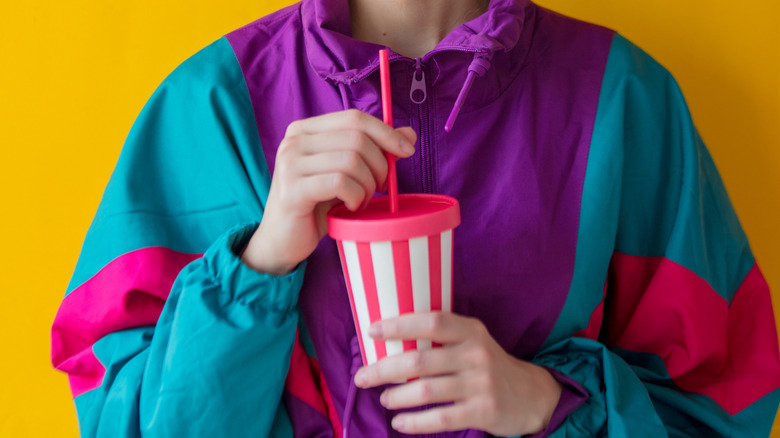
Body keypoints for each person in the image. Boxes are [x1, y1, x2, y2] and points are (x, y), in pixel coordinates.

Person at [51, 0, 780, 436]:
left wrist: (548, 405)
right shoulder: (213, 106)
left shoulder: (626, 101)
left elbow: (721, 407)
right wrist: (260, 262)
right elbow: (127, 423)